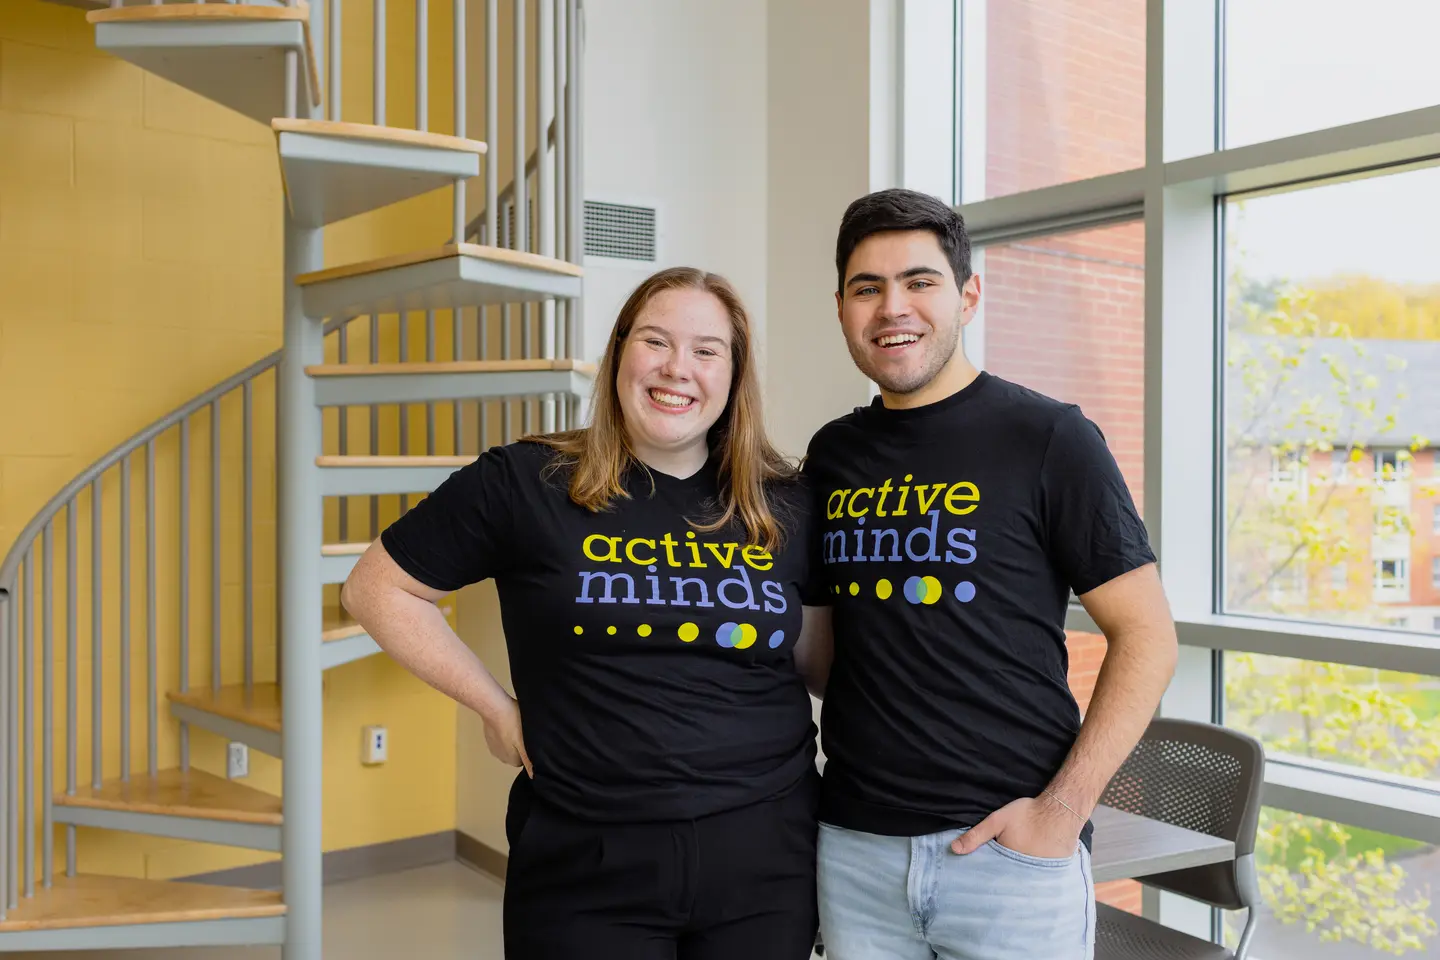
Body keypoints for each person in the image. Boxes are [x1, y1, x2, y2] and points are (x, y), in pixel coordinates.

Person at [341, 267, 831, 959]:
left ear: (734, 373)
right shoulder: (526, 481)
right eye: (655, 341)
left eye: (705, 350)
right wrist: (494, 706)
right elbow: (376, 589)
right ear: (620, 351)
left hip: (766, 853)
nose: (676, 368)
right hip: (585, 856)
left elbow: (817, 663)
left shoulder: (785, 501)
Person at [802, 188, 1179, 960]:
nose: (891, 308)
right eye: (867, 288)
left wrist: (1062, 813)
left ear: (968, 295)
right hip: (855, 851)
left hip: (1010, 855)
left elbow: (1147, 635)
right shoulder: (832, 455)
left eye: (919, 282)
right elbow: (829, 654)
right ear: (840, 307)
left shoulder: (1048, 437)